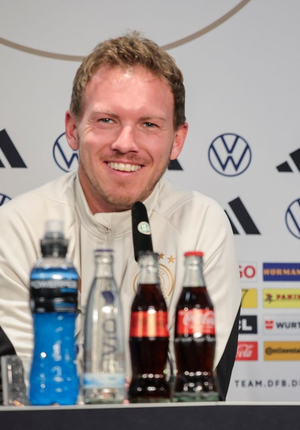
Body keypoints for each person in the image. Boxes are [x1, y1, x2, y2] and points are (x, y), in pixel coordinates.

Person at [0, 33, 241, 398]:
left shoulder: (202, 222)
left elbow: (197, 390)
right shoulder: (16, 226)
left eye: (149, 124)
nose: (126, 143)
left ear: (177, 139)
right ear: (72, 128)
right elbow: (23, 391)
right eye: (107, 119)